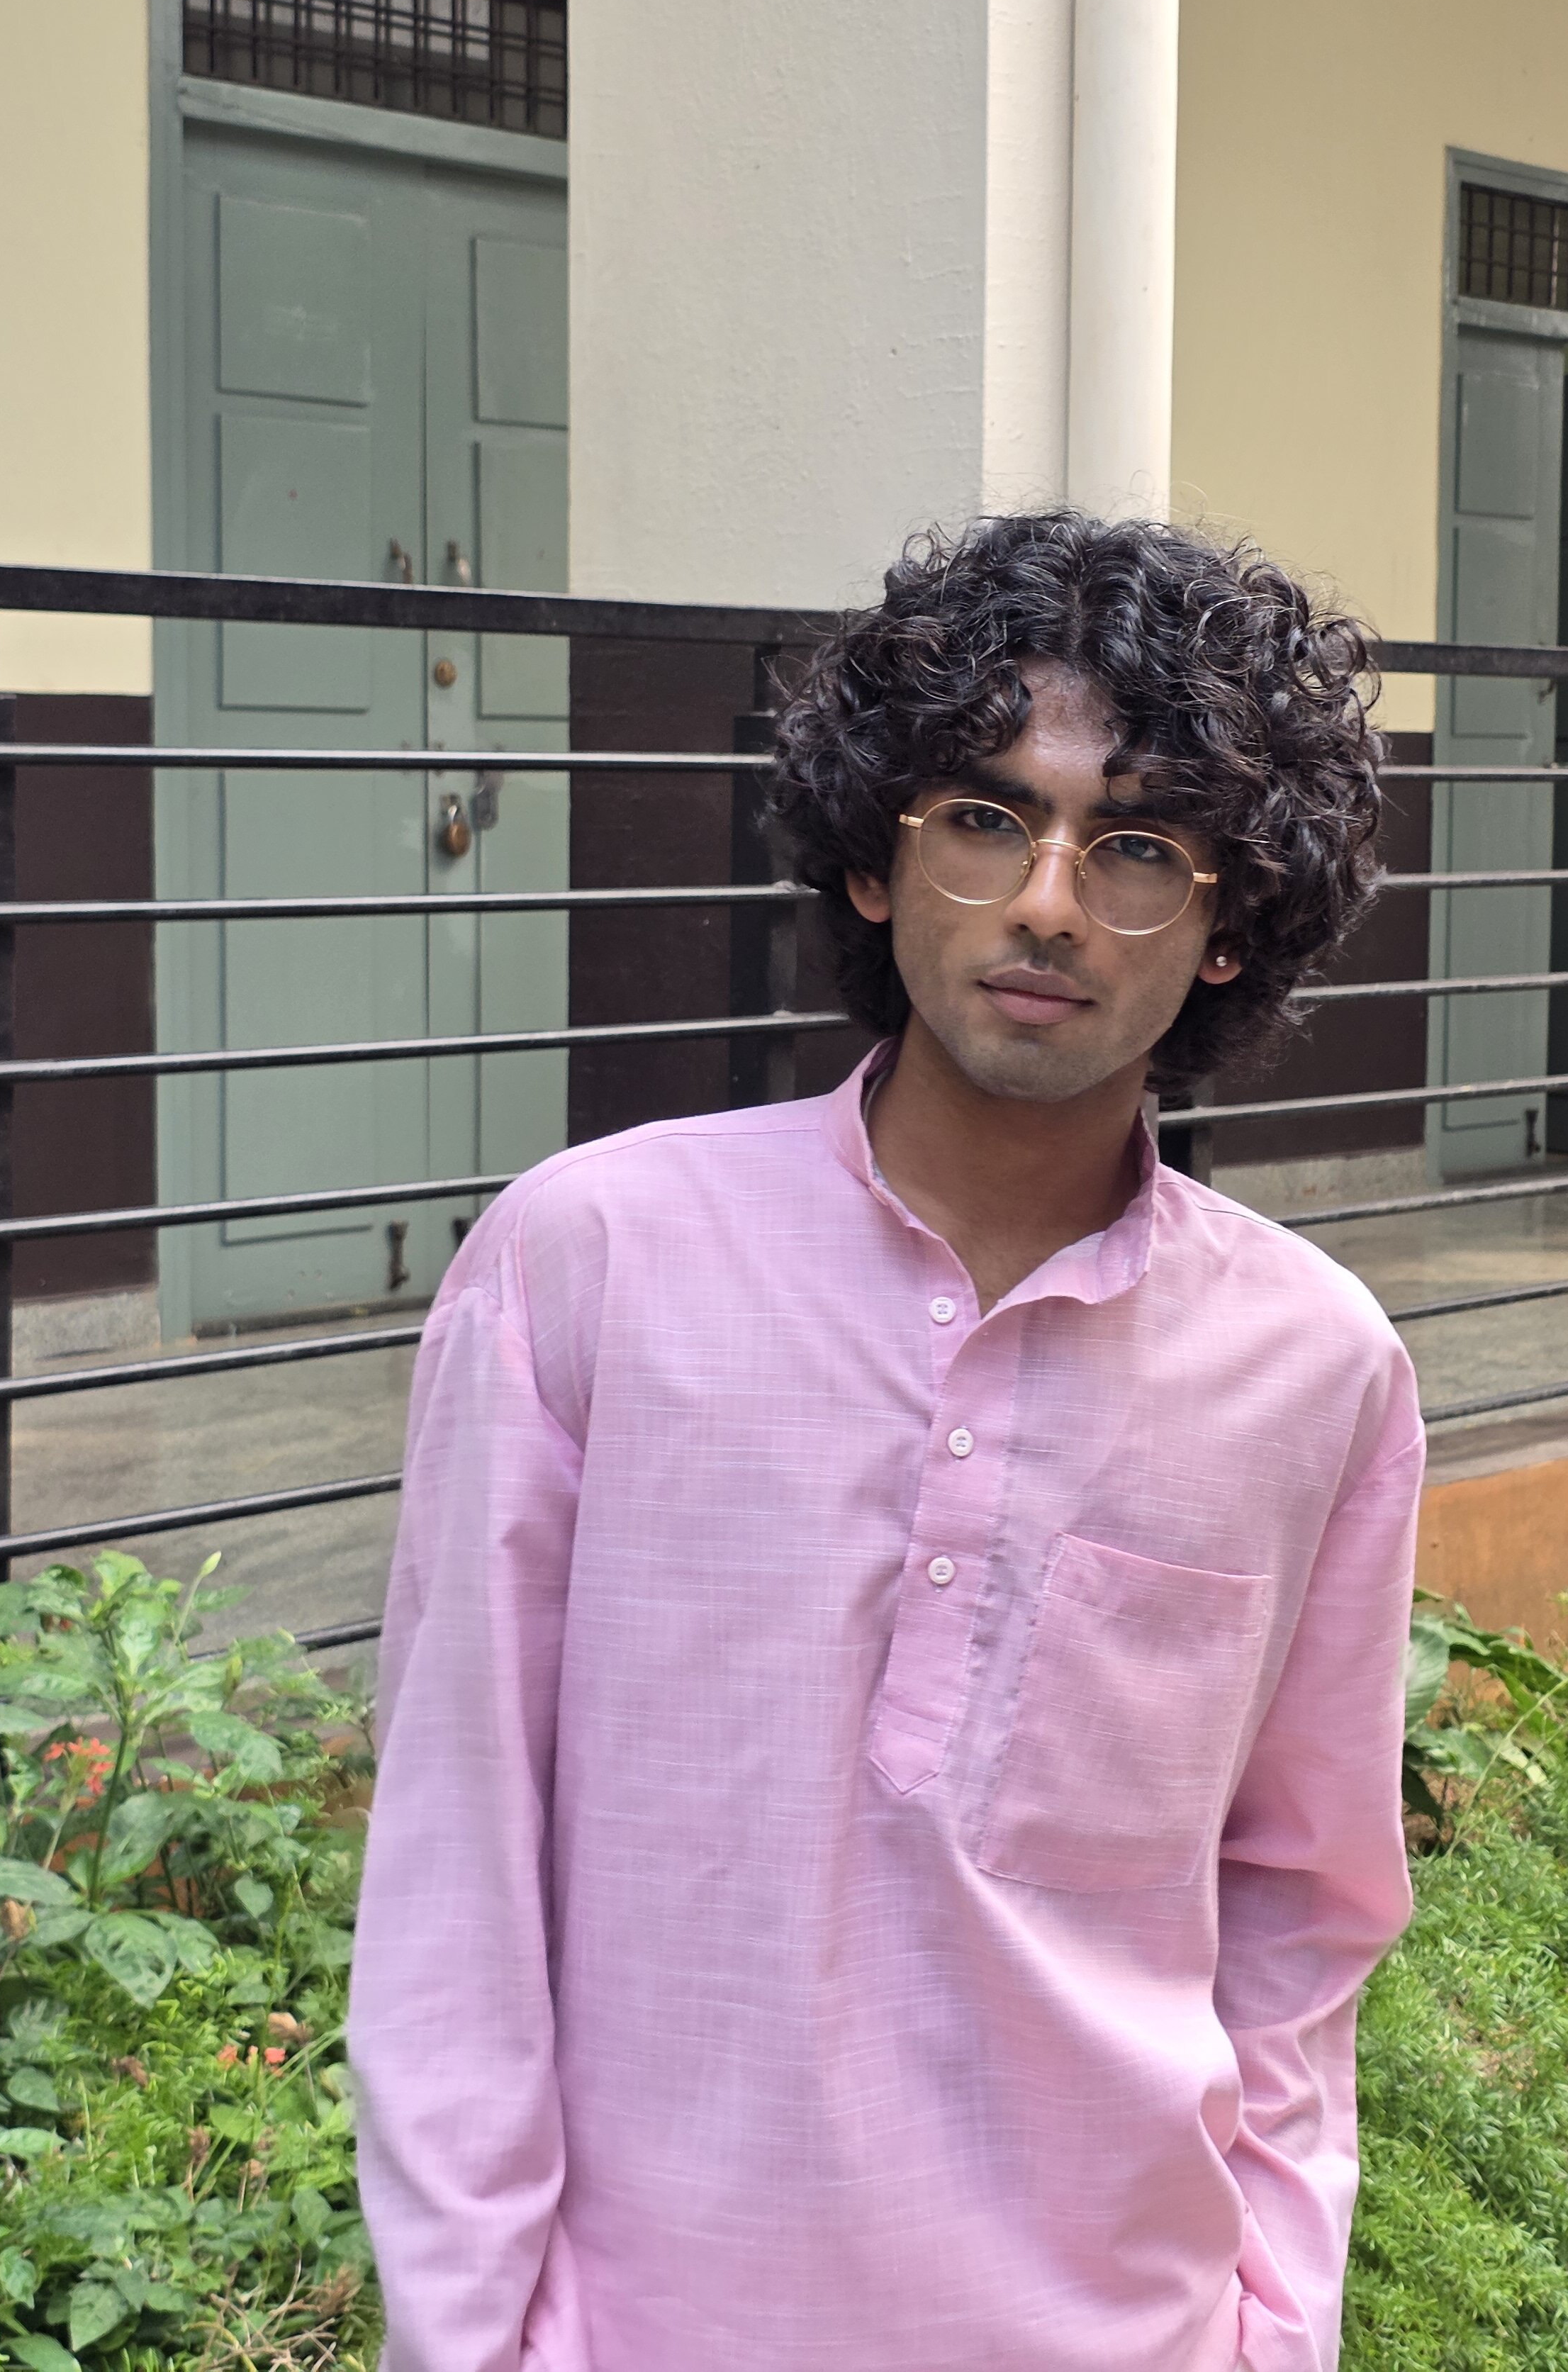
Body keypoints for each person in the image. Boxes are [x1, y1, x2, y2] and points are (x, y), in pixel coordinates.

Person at [348, 508, 1426, 2372]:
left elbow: (1300, 1919)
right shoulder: (591, 1262)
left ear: (1230, 931)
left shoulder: (1315, 1370)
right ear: (876, 858)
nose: (1050, 903)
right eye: (989, 817)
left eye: (1141, 847)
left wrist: (1274, 2327)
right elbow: (458, 1870)